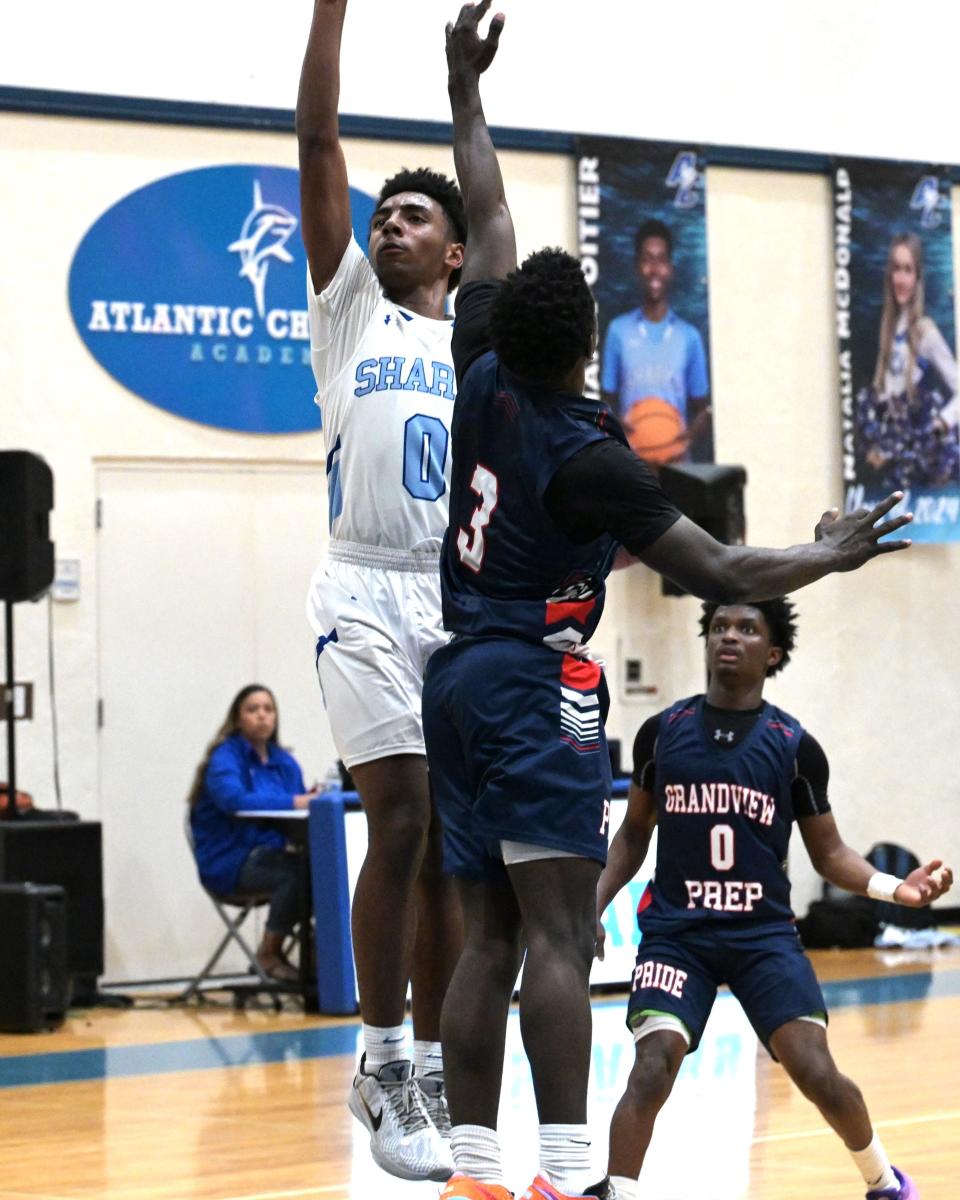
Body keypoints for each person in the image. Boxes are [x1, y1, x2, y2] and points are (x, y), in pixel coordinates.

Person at [426, 7, 913, 1200]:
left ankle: (474, 1172)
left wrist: (463, 93)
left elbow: (486, 214)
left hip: (453, 674)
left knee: (481, 937)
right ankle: (555, 1171)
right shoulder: (587, 453)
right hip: (536, 680)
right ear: (589, 342)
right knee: (557, 935)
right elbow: (730, 575)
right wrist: (833, 550)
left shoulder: (479, 360)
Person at [596, 599, 953, 1200]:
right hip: (678, 936)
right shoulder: (663, 733)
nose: (728, 637)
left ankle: (886, 1182)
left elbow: (830, 852)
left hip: (762, 936)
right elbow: (634, 833)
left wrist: (898, 889)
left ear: (774, 652)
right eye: (718, 627)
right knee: (653, 1065)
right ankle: (619, 1192)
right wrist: (593, 903)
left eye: (746, 628)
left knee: (815, 1071)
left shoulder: (793, 746)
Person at [296, 0, 465, 1179]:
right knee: (397, 818)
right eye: (385, 215)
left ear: (453, 253)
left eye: (413, 217)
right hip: (360, 583)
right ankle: (381, 1057)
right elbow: (317, 142)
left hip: (452, 601)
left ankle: (443, 1067)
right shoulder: (349, 308)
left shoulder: (483, 344)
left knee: (452, 843)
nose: (389, 226)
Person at [187, 684, 319, 983]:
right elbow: (234, 801)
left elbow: (300, 809)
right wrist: (293, 801)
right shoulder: (225, 758)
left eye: (268, 709)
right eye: (252, 709)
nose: (262, 716)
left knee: (323, 872)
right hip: (230, 859)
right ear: (237, 717)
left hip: (272, 852)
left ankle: (321, 960)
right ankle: (269, 953)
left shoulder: (284, 761)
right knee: (297, 875)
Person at [600, 218, 711, 462]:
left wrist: (686, 438)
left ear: (671, 268)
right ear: (636, 267)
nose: (654, 269)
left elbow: (703, 409)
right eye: (647, 260)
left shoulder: (689, 337)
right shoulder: (618, 331)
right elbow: (606, 403)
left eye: (661, 260)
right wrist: (624, 432)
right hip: (632, 468)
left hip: (677, 469)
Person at [859, 232, 960, 489]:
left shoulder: (925, 331)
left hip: (916, 463)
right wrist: (878, 444)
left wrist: (940, 425)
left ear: (917, 278)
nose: (901, 279)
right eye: (896, 269)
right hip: (888, 461)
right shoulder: (888, 329)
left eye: (908, 270)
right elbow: (882, 396)